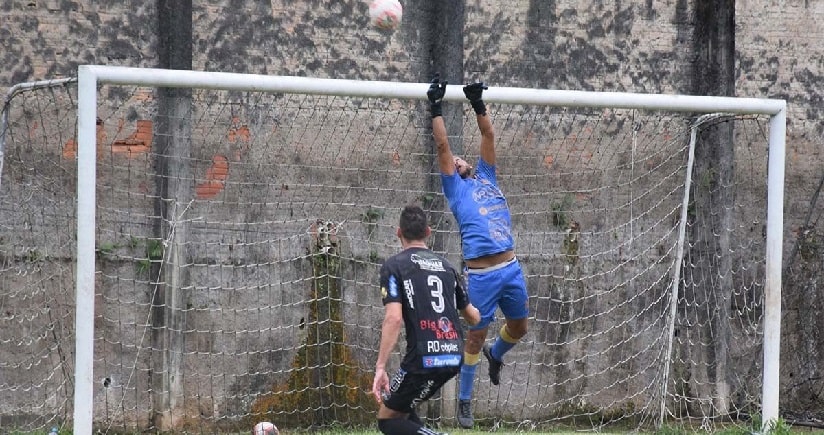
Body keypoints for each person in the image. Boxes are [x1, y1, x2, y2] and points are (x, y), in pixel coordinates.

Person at [426, 75, 530, 429]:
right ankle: (465, 403)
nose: (454, 161)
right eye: (451, 163)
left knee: (519, 326)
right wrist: (436, 108)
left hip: (511, 268)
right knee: (475, 334)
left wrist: (476, 103)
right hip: (482, 276)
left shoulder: (487, 176)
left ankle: (496, 356)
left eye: (459, 159)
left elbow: (488, 135)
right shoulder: (455, 191)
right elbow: (442, 148)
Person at [372, 204, 481, 435]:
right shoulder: (448, 267)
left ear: (398, 232)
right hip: (453, 355)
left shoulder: (394, 266)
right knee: (401, 410)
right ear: (428, 232)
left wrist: (381, 366)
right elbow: (472, 317)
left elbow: (393, 318)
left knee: (387, 420)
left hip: (423, 359)